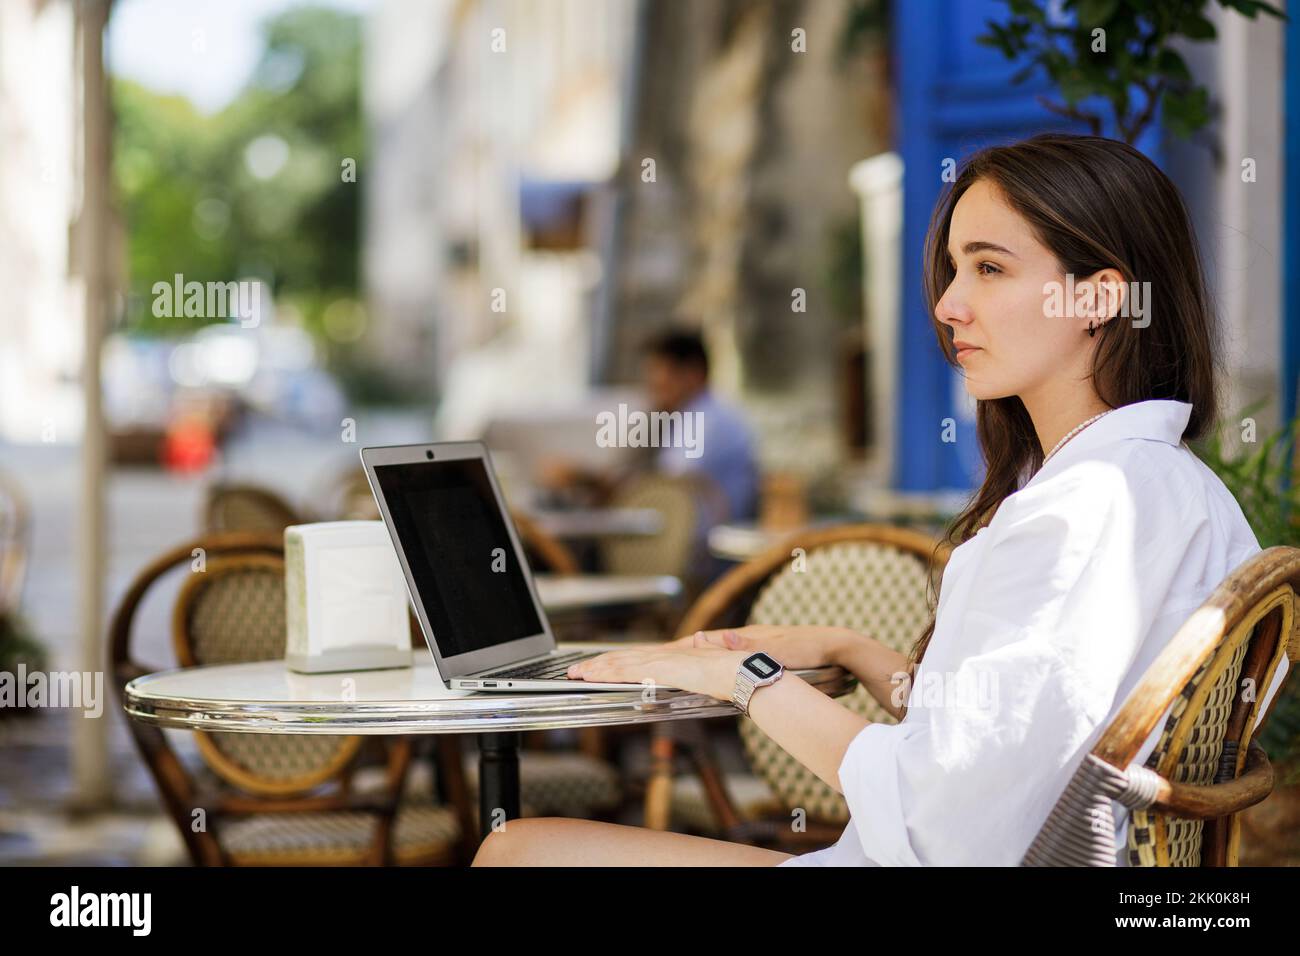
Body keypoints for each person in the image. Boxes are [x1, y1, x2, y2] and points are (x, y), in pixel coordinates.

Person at [472, 133, 1292, 867]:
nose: (947, 304)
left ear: (1099, 297)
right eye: (956, 268)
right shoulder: (1181, 494)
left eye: (991, 267)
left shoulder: (1088, 513)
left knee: (516, 849)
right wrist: (854, 650)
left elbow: (947, 821)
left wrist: (742, 676)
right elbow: (1024, 738)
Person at [537, 327, 759, 525]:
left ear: (693, 374)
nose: (652, 383)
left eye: (660, 372)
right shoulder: (678, 416)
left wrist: (584, 478)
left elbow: (660, 488)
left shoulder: (708, 420)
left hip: (700, 557)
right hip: (674, 540)